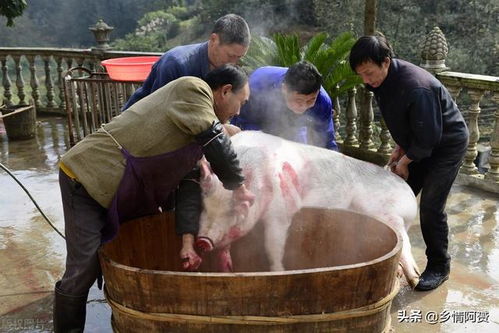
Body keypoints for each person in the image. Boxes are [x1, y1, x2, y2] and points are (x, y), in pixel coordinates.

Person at [53, 64, 255, 332]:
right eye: (240, 102)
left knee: (140, 250)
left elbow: (188, 193)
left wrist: (186, 243)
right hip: (87, 178)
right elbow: (216, 138)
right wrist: (239, 186)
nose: (238, 112)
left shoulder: (196, 137)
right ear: (225, 91)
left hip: (121, 190)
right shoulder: (193, 89)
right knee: (84, 269)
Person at [349, 34, 469, 291]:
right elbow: (409, 122)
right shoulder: (381, 82)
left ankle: (439, 265)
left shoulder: (416, 86)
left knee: (430, 207)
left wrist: (405, 162)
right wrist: (400, 148)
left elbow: (429, 137)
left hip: (445, 146)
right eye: (361, 75)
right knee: (389, 197)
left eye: (369, 73)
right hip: (419, 144)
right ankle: (386, 255)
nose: (366, 81)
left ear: (386, 62)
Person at [122, 13, 251, 110]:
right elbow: (159, 113)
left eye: (239, 58)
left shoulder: (227, 72)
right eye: (230, 56)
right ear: (214, 40)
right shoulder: (176, 63)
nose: (233, 63)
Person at [231, 61, 338, 150]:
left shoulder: (323, 100)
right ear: (284, 89)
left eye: (310, 100)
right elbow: (244, 123)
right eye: (298, 100)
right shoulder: (257, 86)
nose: (303, 107)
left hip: (292, 130)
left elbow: (327, 140)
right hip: (255, 122)